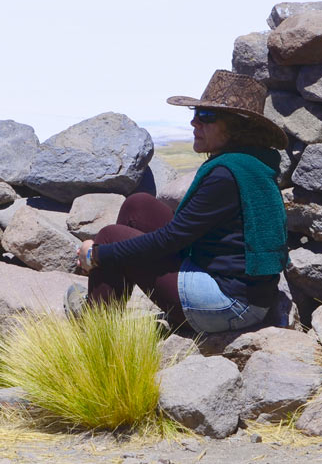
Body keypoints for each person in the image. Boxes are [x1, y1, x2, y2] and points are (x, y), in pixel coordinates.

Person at [71, 70, 289, 334]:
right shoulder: (248, 163)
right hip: (244, 293)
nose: (194, 122)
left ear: (236, 127)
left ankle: (93, 331)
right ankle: (101, 306)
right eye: (195, 113)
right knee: (137, 205)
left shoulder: (225, 175)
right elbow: (183, 235)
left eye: (206, 116)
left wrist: (97, 255)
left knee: (109, 237)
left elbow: (171, 239)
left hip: (231, 305)